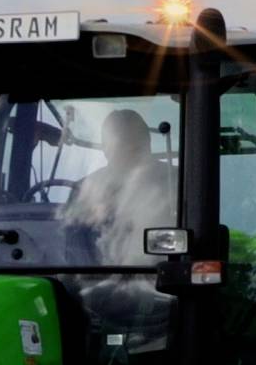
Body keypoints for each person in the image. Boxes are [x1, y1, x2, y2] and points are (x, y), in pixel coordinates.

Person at [63, 108, 174, 262]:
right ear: (105, 148)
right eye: (122, 143)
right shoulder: (85, 190)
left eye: (135, 143)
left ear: (147, 143)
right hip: (95, 279)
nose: (129, 150)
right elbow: (74, 251)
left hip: (165, 279)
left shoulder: (176, 180)